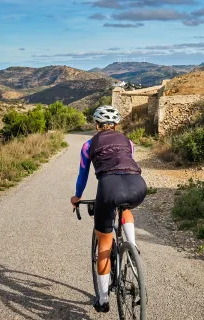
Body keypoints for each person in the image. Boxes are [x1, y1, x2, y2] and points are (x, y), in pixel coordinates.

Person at [70, 105, 147, 313]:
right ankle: (132, 247)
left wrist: (77, 197)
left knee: (104, 243)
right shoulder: (128, 141)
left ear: (97, 125)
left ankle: (103, 300)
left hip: (108, 187)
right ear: (116, 125)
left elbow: (82, 176)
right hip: (138, 185)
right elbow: (127, 162)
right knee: (126, 207)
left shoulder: (88, 145)